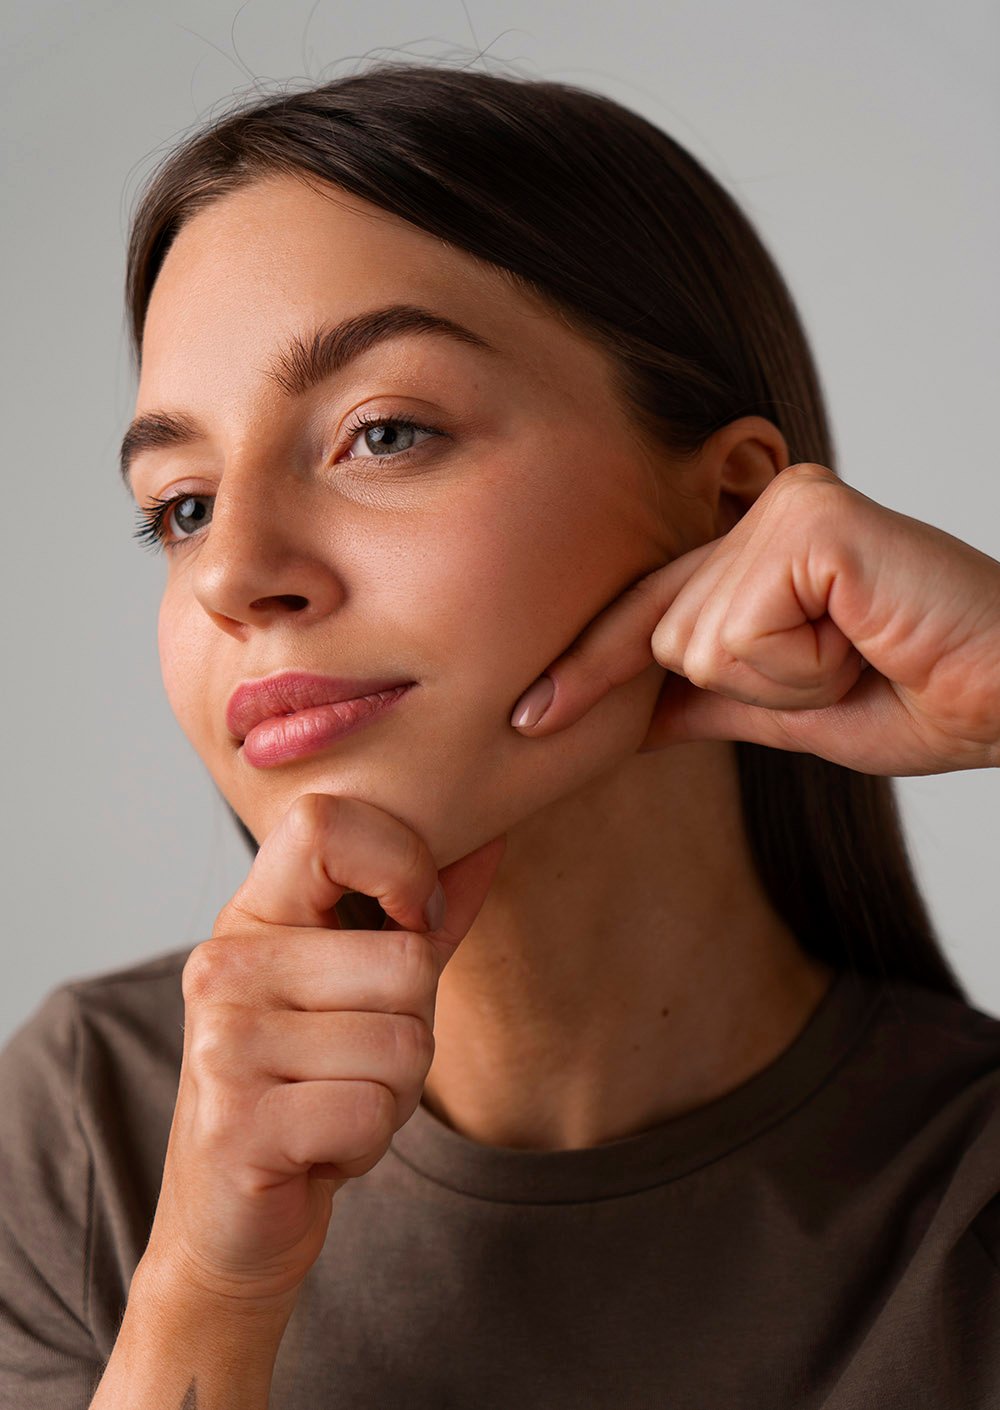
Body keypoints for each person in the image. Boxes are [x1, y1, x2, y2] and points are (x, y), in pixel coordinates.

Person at [1, 60, 999, 1410]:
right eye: (179, 504)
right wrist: (205, 1291)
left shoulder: (969, 1201)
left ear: (731, 510)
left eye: (385, 431)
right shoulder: (89, 1129)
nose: (234, 569)